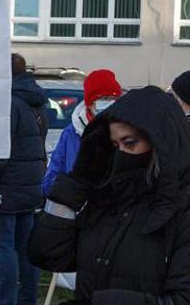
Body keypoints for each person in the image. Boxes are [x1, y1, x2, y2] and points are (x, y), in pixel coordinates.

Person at [29, 86, 190, 304]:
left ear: (161, 142)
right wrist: (76, 183)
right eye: (114, 145)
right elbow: (49, 254)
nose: (121, 153)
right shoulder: (108, 197)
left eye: (130, 143)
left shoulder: (182, 209)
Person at [0, 53, 47, 305]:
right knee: (25, 249)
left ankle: (5, 301)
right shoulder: (35, 101)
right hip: (29, 186)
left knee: (1, 247)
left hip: (3, 188)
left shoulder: (6, 104)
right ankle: (28, 300)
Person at [42, 69, 122, 196]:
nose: (109, 103)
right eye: (104, 98)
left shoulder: (126, 132)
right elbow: (53, 175)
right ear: (90, 103)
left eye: (114, 98)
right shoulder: (71, 133)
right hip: (80, 206)